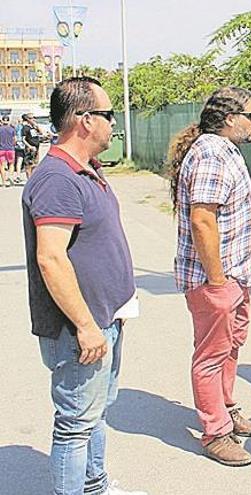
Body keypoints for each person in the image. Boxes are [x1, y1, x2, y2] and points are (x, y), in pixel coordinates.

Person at [21, 77, 145, 495]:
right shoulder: (57, 178)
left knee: (94, 414)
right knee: (74, 425)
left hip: (102, 320)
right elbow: (51, 258)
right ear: (84, 120)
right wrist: (86, 325)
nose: (114, 124)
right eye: (109, 115)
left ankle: (95, 486)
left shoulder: (84, 171)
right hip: (79, 330)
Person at [167, 86, 251, 467]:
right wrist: (218, 282)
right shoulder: (209, 154)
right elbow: (202, 220)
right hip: (216, 280)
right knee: (211, 354)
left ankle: (227, 409)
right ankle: (215, 432)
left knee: (231, 346)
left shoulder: (224, 151)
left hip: (236, 276)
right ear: (229, 120)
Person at [21, 113, 42, 177]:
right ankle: (29, 180)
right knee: (28, 165)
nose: (33, 119)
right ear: (27, 119)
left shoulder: (33, 127)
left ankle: (33, 178)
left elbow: (41, 132)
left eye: (34, 118)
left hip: (36, 148)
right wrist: (30, 146)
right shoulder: (25, 128)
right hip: (30, 149)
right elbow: (23, 139)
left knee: (35, 164)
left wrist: (37, 126)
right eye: (31, 118)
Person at [0, 115, 14, 187]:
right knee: (11, 164)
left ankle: (3, 182)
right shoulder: (12, 129)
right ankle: (9, 178)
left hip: (1, 149)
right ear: (8, 121)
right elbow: (15, 140)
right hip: (10, 149)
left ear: (2, 121)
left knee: (2, 165)